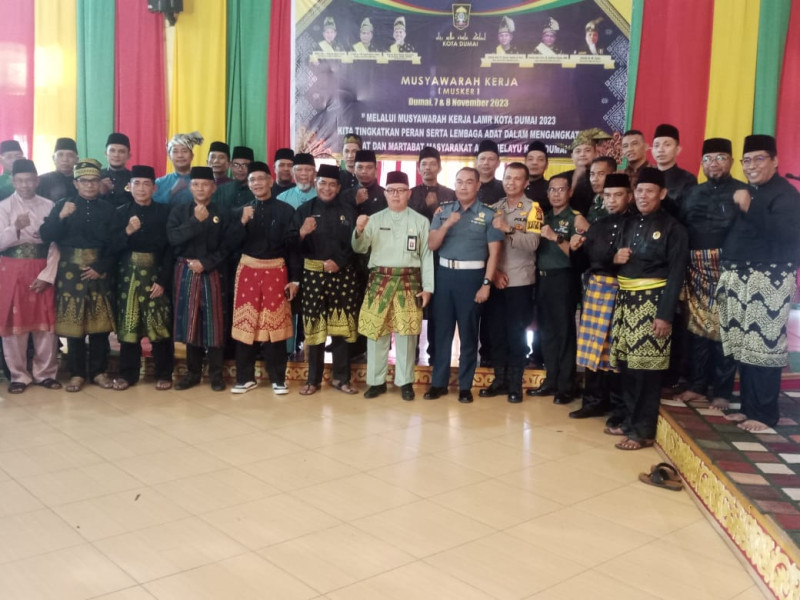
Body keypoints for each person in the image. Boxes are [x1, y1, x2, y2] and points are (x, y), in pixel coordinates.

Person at [718, 135, 800, 432]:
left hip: (769, 279)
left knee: (764, 346)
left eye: (759, 159)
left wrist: (749, 207)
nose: (751, 166)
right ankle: (749, 408)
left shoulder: (786, 194)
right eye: (747, 160)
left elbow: (784, 233)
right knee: (745, 347)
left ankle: (765, 414)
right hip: (740, 276)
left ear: (775, 161)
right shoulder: (749, 191)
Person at [608, 167, 688, 450]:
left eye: (649, 191)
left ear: (662, 194)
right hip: (626, 303)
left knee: (646, 372)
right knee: (627, 368)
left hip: (653, 305)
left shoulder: (673, 228)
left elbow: (677, 274)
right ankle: (630, 421)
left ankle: (642, 431)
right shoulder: (628, 223)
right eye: (639, 190)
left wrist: (665, 315)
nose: (643, 196)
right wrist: (615, 258)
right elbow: (615, 258)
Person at [424, 167, 503, 403]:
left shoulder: (489, 214)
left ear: (478, 185)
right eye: (459, 182)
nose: (463, 186)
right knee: (442, 333)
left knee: (469, 334)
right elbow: (432, 244)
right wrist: (447, 224)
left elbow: (494, 253)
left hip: (472, 278)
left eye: (469, 182)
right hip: (444, 276)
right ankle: (438, 383)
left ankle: (465, 386)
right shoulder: (443, 211)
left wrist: (486, 284)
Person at [353, 171, 433, 400]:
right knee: (376, 333)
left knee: (407, 335)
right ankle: (376, 382)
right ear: (385, 193)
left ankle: (405, 382)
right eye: (391, 190)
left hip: (409, 282)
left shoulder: (420, 221)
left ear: (409, 193)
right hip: (380, 281)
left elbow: (426, 256)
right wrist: (359, 230)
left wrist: (428, 287)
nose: (396, 195)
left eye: (400, 190)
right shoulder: (374, 219)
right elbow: (360, 248)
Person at [677, 138, 744, 410]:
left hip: (729, 268)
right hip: (696, 268)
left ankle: (722, 391)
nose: (713, 163)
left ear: (731, 161)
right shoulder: (692, 193)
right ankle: (697, 386)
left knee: (725, 329)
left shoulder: (743, 191)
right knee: (698, 329)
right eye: (707, 159)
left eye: (720, 158)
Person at [40, 158, 116, 393]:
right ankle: (77, 373)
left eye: (94, 180)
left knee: (100, 326)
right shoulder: (63, 205)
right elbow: (46, 235)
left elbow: (116, 243)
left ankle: (99, 372)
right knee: (74, 326)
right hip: (70, 272)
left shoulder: (108, 208)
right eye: (84, 181)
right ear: (75, 183)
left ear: (99, 182)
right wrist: (60, 217)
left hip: (98, 271)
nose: (90, 185)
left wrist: (101, 267)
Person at [287, 164, 359, 395]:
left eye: (332, 184)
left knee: (341, 329)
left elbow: (357, 244)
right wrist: (302, 233)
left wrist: (339, 262)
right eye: (323, 183)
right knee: (314, 330)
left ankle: (341, 378)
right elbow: (291, 247)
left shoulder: (348, 211)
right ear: (316, 183)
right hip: (312, 276)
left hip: (342, 275)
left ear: (338, 188)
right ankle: (312, 380)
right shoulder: (304, 210)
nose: (327, 188)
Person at [229, 162, 298, 395]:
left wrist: (295, 279)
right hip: (248, 271)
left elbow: (293, 248)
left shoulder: (286, 210)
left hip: (276, 271)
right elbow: (229, 244)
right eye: (252, 180)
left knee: (274, 325)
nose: (257, 183)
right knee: (246, 323)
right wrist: (241, 222)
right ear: (248, 185)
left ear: (270, 180)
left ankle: (278, 379)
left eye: (261, 179)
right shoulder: (241, 211)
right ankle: (244, 378)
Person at [569, 173, 632, 420]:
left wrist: (612, 261)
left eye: (618, 195)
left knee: (616, 349)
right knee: (594, 347)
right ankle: (593, 401)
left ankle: (617, 406)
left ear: (629, 196)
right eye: (608, 196)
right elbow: (584, 263)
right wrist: (575, 249)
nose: (612, 200)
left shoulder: (636, 224)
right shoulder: (598, 225)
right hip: (596, 290)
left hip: (622, 290)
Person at [480, 163, 541, 403]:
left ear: (525, 183)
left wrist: (508, 230)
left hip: (520, 281)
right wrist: (493, 273)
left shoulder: (533, 209)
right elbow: (483, 245)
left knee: (516, 334)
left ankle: (515, 385)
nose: (511, 182)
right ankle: (499, 381)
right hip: (496, 280)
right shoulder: (493, 208)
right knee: (496, 333)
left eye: (517, 178)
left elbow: (533, 244)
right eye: (507, 178)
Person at [109, 165, 174, 391]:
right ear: (129, 186)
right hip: (127, 277)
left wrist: (163, 280)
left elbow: (171, 249)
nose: (141, 188)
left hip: (155, 274)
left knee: (159, 325)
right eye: (136, 183)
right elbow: (110, 248)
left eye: (147, 184)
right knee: (129, 324)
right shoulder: (120, 212)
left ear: (154, 188)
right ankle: (128, 374)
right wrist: (127, 231)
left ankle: (164, 373)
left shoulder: (165, 212)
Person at [527, 174, 590, 403]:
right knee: (546, 332)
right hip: (542, 279)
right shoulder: (543, 216)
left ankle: (566, 385)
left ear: (570, 192)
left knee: (564, 333)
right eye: (552, 190)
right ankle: (551, 380)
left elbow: (580, 257)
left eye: (561, 189)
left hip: (564, 278)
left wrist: (555, 238)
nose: (556, 194)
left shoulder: (575, 219)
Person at [0, 159, 61, 393]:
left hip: (42, 267)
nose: (25, 185)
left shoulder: (49, 205)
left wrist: (48, 275)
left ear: (37, 181)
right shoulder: (4, 207)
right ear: (13, 181)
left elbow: (56, 243)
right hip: (12, 270)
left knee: (45, 324)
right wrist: (14, 228)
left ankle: (45, 373)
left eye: (29, 180)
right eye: (20, 181)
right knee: (15, 324)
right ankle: (18, 375)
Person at [167, 166, 229, 391]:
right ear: (190, 187)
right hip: (186, 270)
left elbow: (228, 246)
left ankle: (216, 375)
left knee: (214, 324)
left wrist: (207, 263)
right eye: (196, 184)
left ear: (213, 187)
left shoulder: (222, 212)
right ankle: (192, 373)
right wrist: (195, 221)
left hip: (213, 271)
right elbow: (173, 239)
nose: (200, 188)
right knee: (190, 322)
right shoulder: (179, 211)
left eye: (205, 184)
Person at [562, 128, 610, 217]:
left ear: (596, 153)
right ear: (572, 156)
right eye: (578, 151)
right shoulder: (561, 178)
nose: (582, 154)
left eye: (587, 150)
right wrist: (575, 179)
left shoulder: (606, 175)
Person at [651, 124, 697, 217]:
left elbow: (686, 213)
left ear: (678, 149)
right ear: (652, 150)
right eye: (656, 145)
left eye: (667, 145)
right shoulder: (646, 175)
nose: (660, 150)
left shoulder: (688, 179)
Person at [154, 131, 204, 206]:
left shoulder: (203, 183)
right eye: (175, 151)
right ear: (169, 157)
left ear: (192, 156)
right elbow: (152, 206)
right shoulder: (159, 183)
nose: (180, 155)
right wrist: (172, 191)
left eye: (184, 151)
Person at [409, 146, 456, 221]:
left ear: (439, 168)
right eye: (424, 164)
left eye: (432, 164)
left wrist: (434, 206)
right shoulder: (410, 194)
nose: (428, 167)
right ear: (418, 169)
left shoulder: (451, 194)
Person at [213, 146, 255, 216]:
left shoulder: (257, 190)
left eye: (245, 165)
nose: (240, 169)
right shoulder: (220, 190)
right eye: (236, 165)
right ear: (230, 165)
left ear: (252, 167)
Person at [100, 132, 133, 207]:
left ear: (129, 156)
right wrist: (100, 192)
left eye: (121, 152)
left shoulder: (134, 179)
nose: (116, 155)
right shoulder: (96, 177)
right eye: (112, 151)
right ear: (106, 154)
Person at [586, 156, 617, 223]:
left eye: (601, 174)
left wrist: (585, 226)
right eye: (592, 174)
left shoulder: (616, 203)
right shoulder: (596, 200)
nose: (594, 179)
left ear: (613, 175)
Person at [476, 139, 505, 205]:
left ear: (498, 163)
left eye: (491, 159)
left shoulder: (505, 189)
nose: (486, 163)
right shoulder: (467, 187)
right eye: (482, 159)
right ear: (476, 162)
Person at [524, 141, 549, 209]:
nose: (534, 163)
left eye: (540, 159)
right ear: (525, 163)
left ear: (546, 165)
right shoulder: (516, 186)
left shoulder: (550, 189)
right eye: (530, 159)